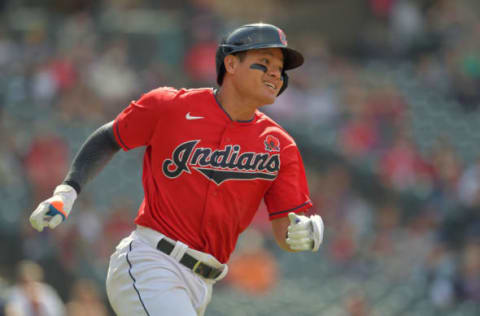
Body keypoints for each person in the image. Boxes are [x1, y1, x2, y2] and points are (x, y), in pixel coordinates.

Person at [29, 23, 324, 316]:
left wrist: (306, 232)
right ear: (231, 63)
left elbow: (286, 229)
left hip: (202, 284)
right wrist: (68, 190)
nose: (276, 73)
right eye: (265, 62)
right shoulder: (170, 106)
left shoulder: (280, 146)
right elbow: (109, 138)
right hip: (152, 262)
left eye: (281, 68)